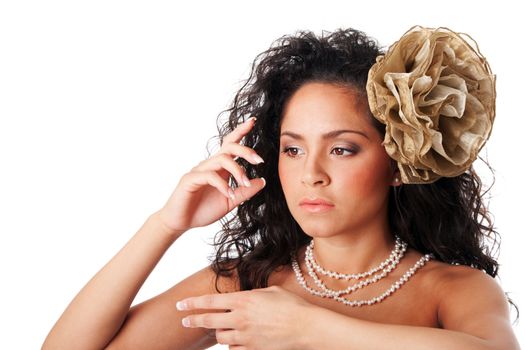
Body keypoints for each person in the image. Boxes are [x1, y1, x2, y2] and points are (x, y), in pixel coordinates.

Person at [42, 26, 520, 349]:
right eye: (292, 149)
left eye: (342, 149)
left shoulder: (454, 291)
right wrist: (167, 223)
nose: (311, 172)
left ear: (399, 163)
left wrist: (308, 326)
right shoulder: (248, 282)